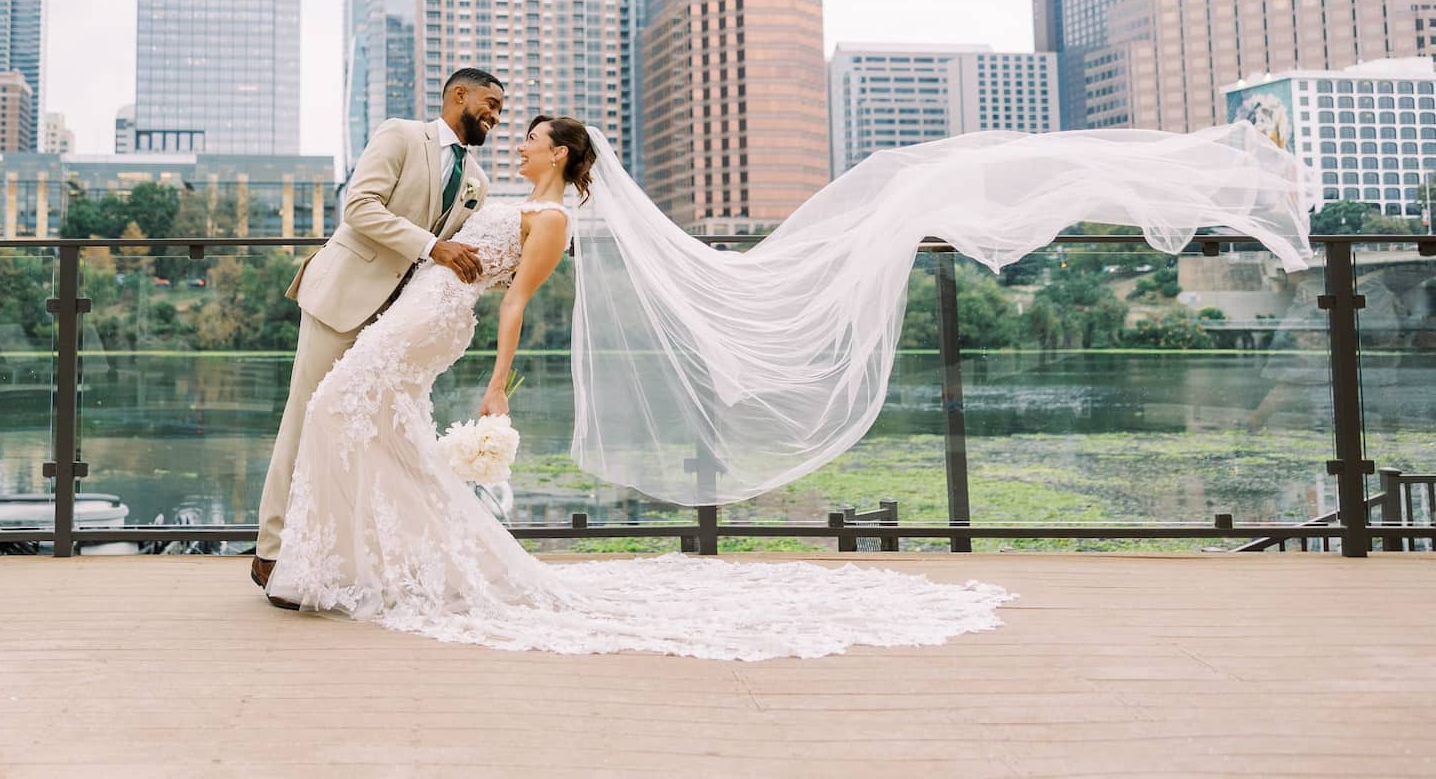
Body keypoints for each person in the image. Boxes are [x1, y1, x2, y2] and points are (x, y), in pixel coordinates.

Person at [267, 117, 1319, 661]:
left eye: (537, 130)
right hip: (413, 317)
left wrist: (497, 384)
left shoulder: (549, 219)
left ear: (561, 154)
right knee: (363, 430)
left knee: (339, 415)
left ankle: (349, 565)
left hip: (435, 330)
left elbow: (514, 307)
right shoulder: (504, 192)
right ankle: (364, 564)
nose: (524, 134)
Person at [250, 68, 504, 605]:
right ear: (457, 94)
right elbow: (360, 208)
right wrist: (433, 247)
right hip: (341, 298)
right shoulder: (401, 135)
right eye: (489, 102)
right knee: (307, 416)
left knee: (363, 436)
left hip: (397, 324)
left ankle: (332, 556)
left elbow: (457, 257)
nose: (495, 115)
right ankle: (271, 551)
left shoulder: (478, 182)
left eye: (500, 109)